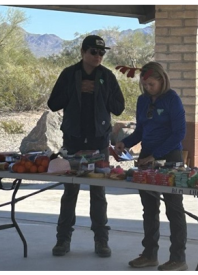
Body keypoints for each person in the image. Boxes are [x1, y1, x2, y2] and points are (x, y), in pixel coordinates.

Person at [47, 34, 125, 258]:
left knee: (98, 193)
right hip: (72, 141)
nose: (98, 56)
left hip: (99, 142)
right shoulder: (69, 74)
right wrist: (77, 89)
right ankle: (63, 240)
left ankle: (101, 241)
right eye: (93, 52)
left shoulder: (107, 76)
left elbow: (118, 107)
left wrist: (100, 91)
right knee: (70, 191)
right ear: (82, 52)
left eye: (102, 53)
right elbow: (53, 104)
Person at [115, 62, 188, 271]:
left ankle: (178, 258)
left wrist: (156, 156)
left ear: (162, 80)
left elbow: (179, 133)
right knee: (149, 208)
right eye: (145, 84)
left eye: (152, 84)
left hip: (170, 158)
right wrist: (125, 143)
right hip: (146, 157)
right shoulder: (142, 101)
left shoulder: (172, 99)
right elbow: (140, 131)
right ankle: (149, 254)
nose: (148, 88)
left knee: (174, 208)